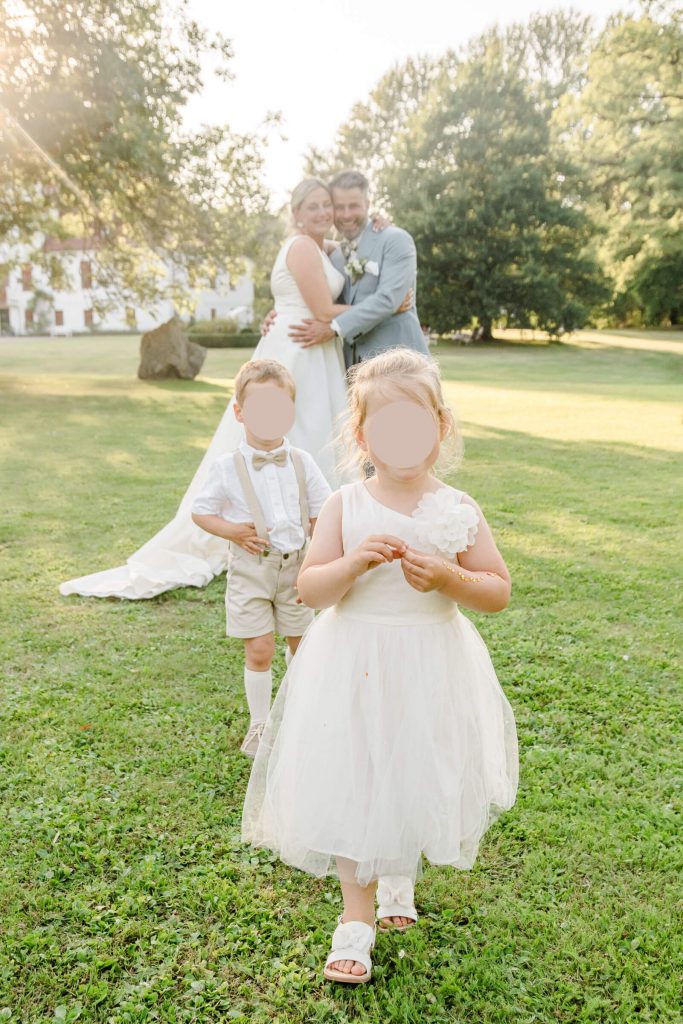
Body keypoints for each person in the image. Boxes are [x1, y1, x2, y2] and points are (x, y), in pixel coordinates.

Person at [242, 348, 519, 985]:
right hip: (353, 665)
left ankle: (399, 878)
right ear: (362, 436)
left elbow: (497, 590)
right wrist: (352, 563)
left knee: (412, 770)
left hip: (429, 665)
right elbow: (310, 590)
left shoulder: (458, 507)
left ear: (441, 427)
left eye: (416, 425)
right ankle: (355, 917)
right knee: (357, 778)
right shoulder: (346, 505)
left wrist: (449, 577)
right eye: (387, 428)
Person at [59, 177, 404, 600]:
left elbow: (349, 245)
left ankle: (313, 528)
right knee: (299, 431)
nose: (323, 213)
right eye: (312, 206)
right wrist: (388, 305)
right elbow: (320, 308)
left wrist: (377, 222)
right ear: (296, 213)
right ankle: (297, 531)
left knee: (311, 434)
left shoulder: (323, 247)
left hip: (313, 348)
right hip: (299, 348)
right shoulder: (300, 246)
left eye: (326, 206)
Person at [191, 359, 331, 757]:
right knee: (259, 649)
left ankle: (300, 711)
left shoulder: (302, 461)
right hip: (251, 569)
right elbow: (201, 512)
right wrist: (233, 531)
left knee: (301, 643)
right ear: (239, 412)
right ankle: (259, 723)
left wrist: (317, 558)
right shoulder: (227, 467)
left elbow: (322, 513)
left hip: (296, 567)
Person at [288, 169, 430, 369]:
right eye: (340, 207)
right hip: (352, 369)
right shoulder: (334, 255)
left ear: (368, 204)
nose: (346, 215)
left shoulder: (395, 240)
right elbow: (314, 294)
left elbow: (387, 300)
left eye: (353, 206)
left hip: (401, 363)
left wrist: (334, 329)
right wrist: (279, 312)